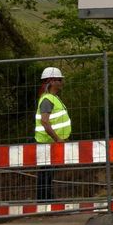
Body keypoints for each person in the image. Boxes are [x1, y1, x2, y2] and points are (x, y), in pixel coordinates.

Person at [35, 66, 71, 201]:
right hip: (48, 142)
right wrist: (57, 138)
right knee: (46, 173)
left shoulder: (53, 98)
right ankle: (44, 200)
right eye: (59, 80)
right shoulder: (47, 99)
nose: (62, 82)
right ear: (51, 81)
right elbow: (45, 122)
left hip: (51, 142)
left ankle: (46, 198)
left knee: (48, 173)